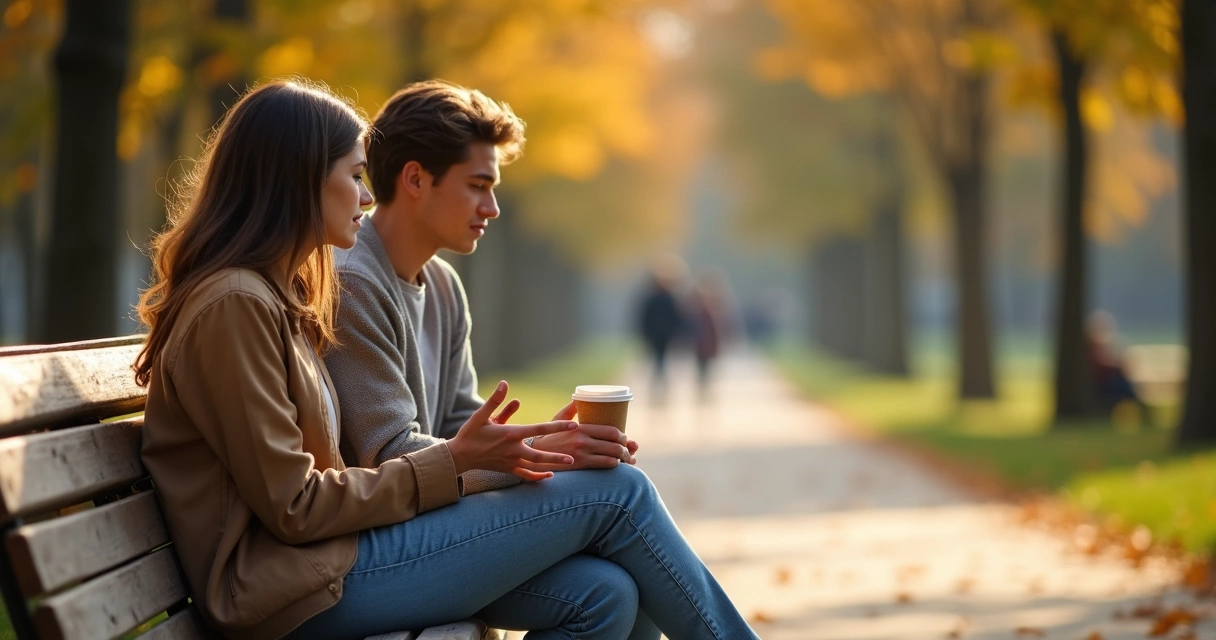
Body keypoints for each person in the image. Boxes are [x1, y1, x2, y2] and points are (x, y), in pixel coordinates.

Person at [134, 79, 757, 640]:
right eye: (354, 176)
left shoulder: (277, 294)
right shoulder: (239, 305)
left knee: (607, 593)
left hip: (329, 562)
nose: (364, 193)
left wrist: (533, 447)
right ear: (298, 179)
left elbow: (440, 431)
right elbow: (296, 506)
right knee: (619, 493)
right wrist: (479, 458)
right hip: (285, 592)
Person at [636, 255, 688, 404]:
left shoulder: (659, 298)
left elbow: (677, 319)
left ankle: (660, 388)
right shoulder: (665, 298)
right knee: (660, 362)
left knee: (660, 362)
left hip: (661, 336)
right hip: (659, 336)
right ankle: (661, 389)